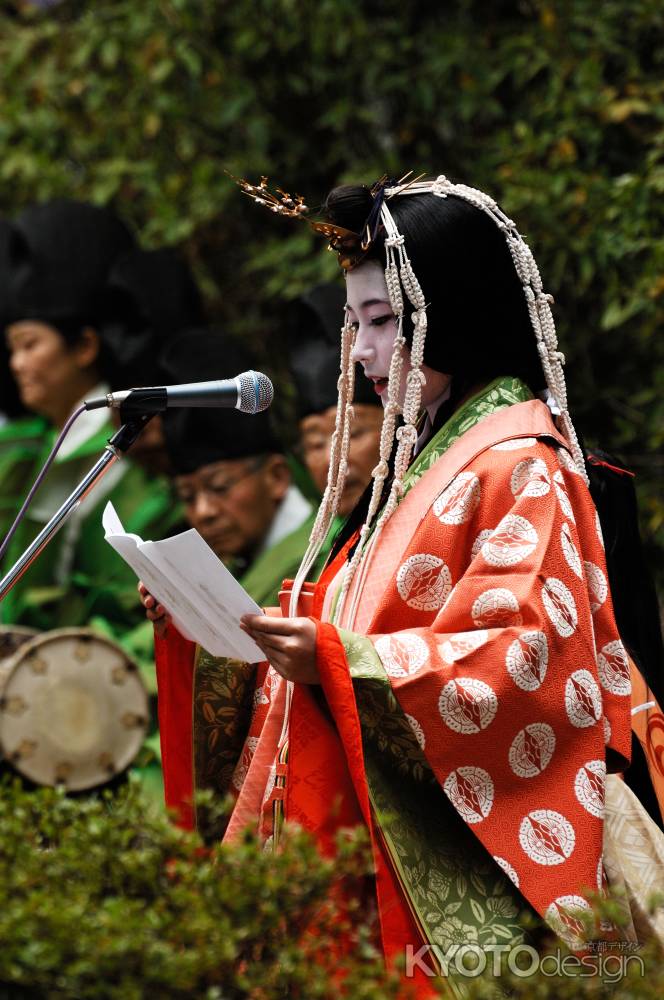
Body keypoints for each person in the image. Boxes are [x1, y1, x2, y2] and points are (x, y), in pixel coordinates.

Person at [146, 175, 661, 987]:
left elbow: (520, 662)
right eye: (356, 323)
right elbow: (339, 624)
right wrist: (212, 628)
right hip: (359, 826)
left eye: (383, 322)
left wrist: (342, 663)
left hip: (437, 852)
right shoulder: (418, 464)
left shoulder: (519, 463)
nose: (360, 352)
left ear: (450, 310)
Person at [0, 201, 184, 642]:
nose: (17, 364)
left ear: (84, 346)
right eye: (11, 349)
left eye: (30, 345)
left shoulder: (136, 445)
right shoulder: (27, 446)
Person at [159, 328, 313, 609]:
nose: (204, 512)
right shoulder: (236, 560)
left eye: (219, 487)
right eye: (188, 496)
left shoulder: (315, 559)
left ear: (276, 477)